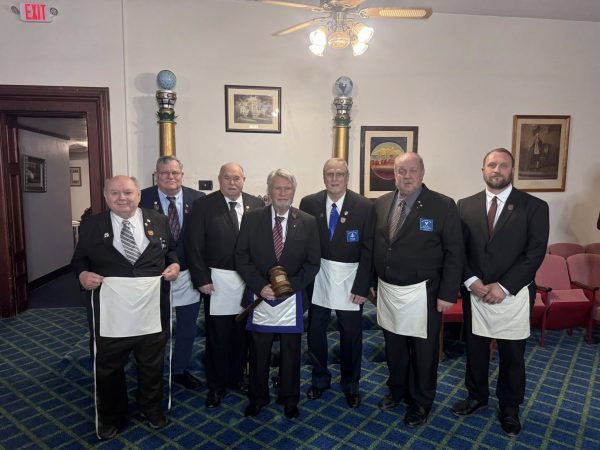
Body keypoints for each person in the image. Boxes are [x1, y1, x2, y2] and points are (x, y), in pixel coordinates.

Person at [71, 175, 180, 440]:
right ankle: (112, 416)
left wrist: (175, 265)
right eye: (115, 193)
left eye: (128, 192)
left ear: (139, 195)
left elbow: (171, 252)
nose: (122, 198)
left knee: (151, 362)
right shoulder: (92, 225)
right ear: (106, 196)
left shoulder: (159, 220)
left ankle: (150, 408)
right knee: (108, 366)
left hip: (150, 307)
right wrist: (83, 275)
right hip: (111, 310)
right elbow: (79, 260)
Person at [451, 148, 549, 436]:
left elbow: (534, 253)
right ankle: (476, 397)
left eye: (503, 165)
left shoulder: (534, 206)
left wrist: (504, 286)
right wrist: (470, 279)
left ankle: (509, 407)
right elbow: (458, 249)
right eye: (492, 165)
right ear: (483, 170)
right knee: (475, 350)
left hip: (513, 294)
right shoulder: (464, 205)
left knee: (512, 356)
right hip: (475, 291)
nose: (497, 170)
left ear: (512, 170)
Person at [372, 152, 463, 427]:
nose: (407, 176)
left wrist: (448, 293)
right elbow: (374, 247)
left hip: (425, 293)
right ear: (394, 174)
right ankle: (397, 390)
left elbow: (455, 252)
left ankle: (421, 403)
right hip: (389, 291)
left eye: (412, 170)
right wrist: (371, 282)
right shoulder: (381, 203)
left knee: (423, 352)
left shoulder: (442, 205)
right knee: (394, 347)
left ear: (422, 173)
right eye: (401, 171)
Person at [235, 168, 320, 419]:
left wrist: (289, 287)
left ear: (294, 191)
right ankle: (257, 397)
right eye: (277, 188)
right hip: (260, 295)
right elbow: (241, 257)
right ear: (269, 191)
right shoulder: (252, 219)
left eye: (287, 188)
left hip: (292, 297)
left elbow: (313, 263)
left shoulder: (308, 221)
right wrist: (259, 285)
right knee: (258, 351)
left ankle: (289, 398)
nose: (282, 193)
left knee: (291, 353)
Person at [185, 162, 264, 408]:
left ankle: (237, 378)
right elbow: (193, 245)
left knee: (243, 334)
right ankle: (216, 386)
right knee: (218, 335)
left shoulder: (256, 204)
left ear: (244, 180)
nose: (232, 182)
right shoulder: (203, 205)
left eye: (237, 178)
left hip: (248, 281)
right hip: (216, 282)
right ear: (219, 180)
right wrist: (201, 279)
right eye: (227, 178)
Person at [299, 158, 375, 408]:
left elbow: (369, 249)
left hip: (350, 281)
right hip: (318, 278)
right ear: (323, 176)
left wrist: (363, 286)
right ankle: (319, 380)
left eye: (339, 174)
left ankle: (351, 384)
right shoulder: (308, 203)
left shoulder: (364, 206)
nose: (334, 178)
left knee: (351, 335)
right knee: (316, 332)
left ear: (347, 177)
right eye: (329, 174)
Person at [140, 156, 205, 390]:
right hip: (155, 275)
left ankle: (180, 369)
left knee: (187, 326)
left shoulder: (198, 199)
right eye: (165, 173)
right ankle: (153, 371)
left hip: (188, 273)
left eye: (175, 172)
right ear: (156, 175)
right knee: (155, 328)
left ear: (182, 175)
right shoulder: (141, 198)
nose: (170, 177)